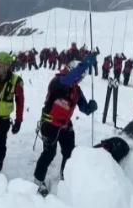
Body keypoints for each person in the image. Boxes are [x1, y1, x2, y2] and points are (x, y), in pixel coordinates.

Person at [32, 55, 98, 196]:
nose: (79, 80)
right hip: (50, 123)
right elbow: (68, 80)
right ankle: (38, 180)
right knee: (49, 153)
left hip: (65, 125)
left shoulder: (76, 90)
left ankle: (65, 177)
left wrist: (90, 107)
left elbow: (84, 108)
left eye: (81, 78)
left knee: (69, 153)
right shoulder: (58, 82)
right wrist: (85, 65)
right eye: (79, 76)